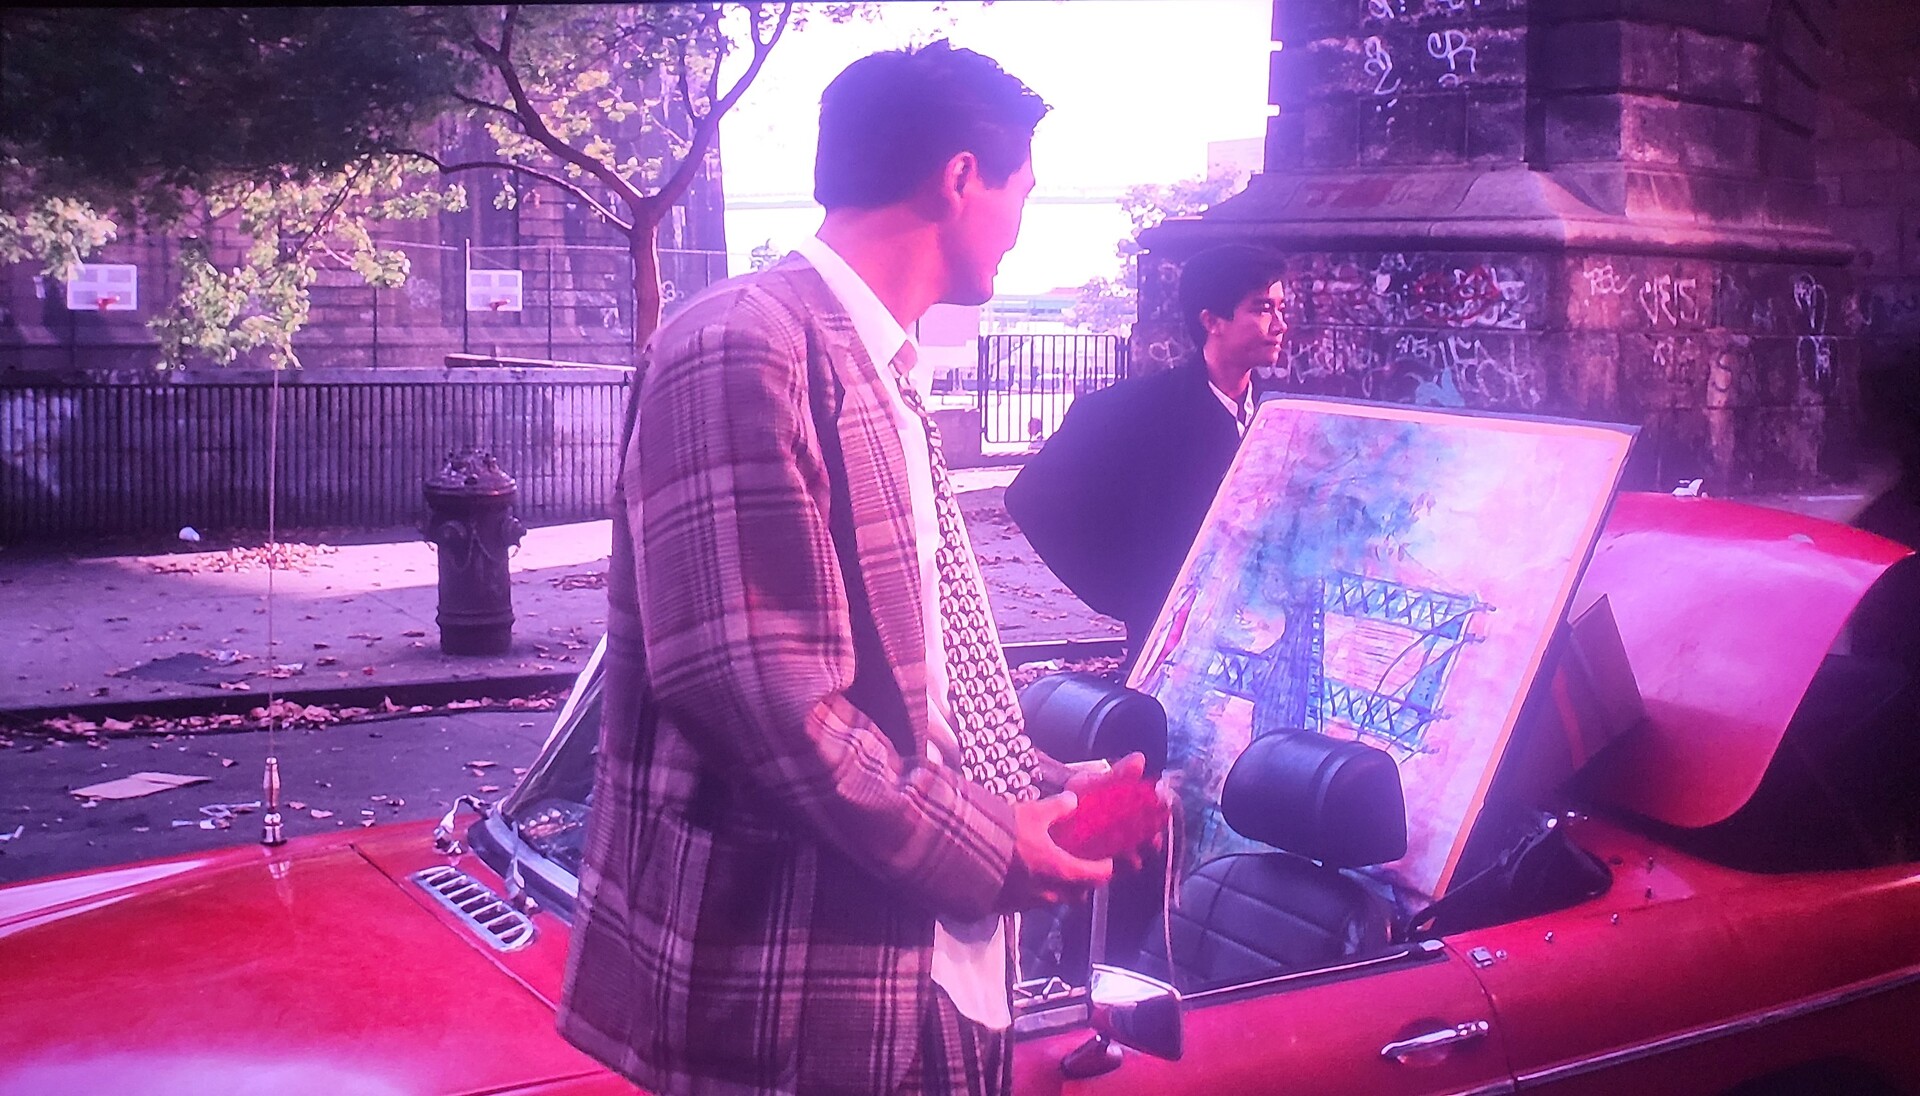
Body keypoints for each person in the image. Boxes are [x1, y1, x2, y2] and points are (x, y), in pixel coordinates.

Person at [558, 41, 1145, 1096]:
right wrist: (996, 847)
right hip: (809, 995)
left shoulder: (877, 364)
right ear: (960, 177)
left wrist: (1042, 792)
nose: (1022, 226)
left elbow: (908, 689)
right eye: (1023, 192)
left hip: (932, 973)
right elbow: (759, 698)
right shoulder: (746, 343)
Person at [1004, 244, 1289, 669]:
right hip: (1171, 652)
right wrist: (1131, 593)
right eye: (1262, 308)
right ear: (1212, 320)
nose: (1280, 324)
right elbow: (1033, 498)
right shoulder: (1133, 410)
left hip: (1273, 645)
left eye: (1282, 308)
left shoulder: (1284, 417)